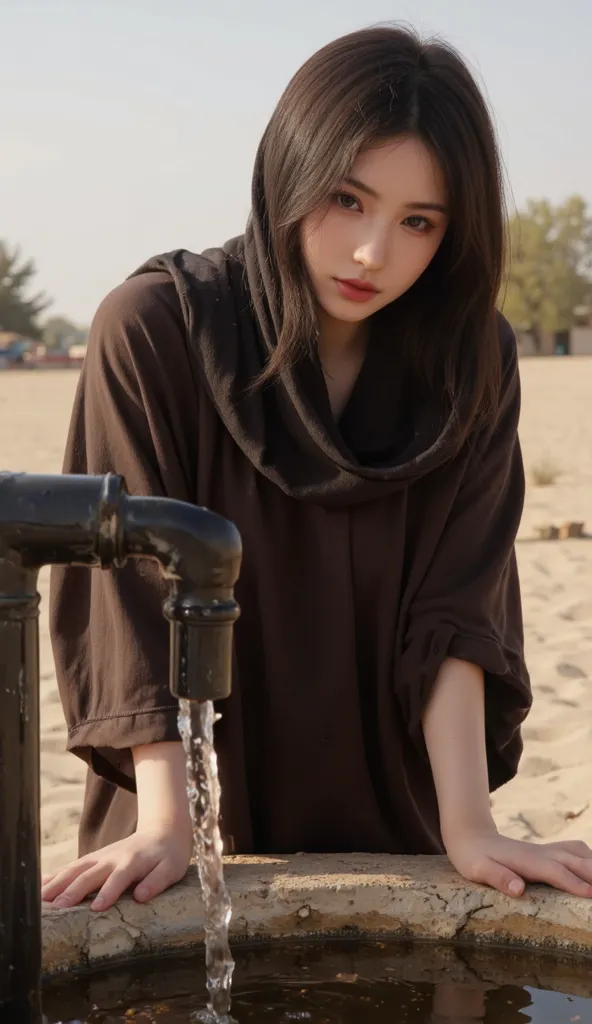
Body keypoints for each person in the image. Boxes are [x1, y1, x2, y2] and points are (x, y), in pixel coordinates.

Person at [43, 25, 592, 914]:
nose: (374, 252)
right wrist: (168, 826)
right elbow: (133, 598)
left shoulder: (471, 359)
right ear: (287, 173)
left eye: (419, 222)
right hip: (178, 816)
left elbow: (458, 605)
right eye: (347, 199)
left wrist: (468, 824)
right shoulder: (152, 332)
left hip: (393, 811)